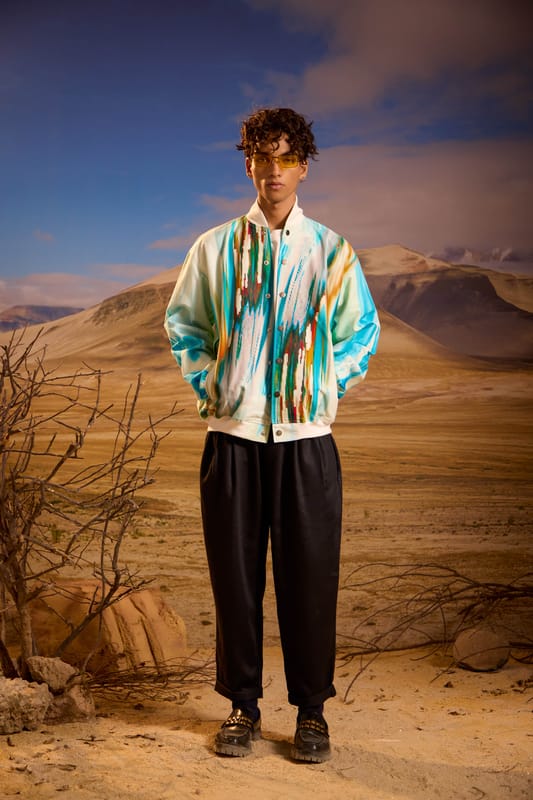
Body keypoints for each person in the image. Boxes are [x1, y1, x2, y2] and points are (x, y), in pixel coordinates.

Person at [164, 107, 380, 762]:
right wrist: (215, 386)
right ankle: (242, 707)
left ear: (304, 166)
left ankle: (312, 712)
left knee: (309, 581)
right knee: (236, 583)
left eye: (286, 158)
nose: (274, 171)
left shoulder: (332, 252)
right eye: (262, 158)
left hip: (307, 442)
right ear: (247, 165)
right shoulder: (214, 248)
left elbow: (361, 332)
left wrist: (323, 387)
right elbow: (183, 325)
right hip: (231, 439)